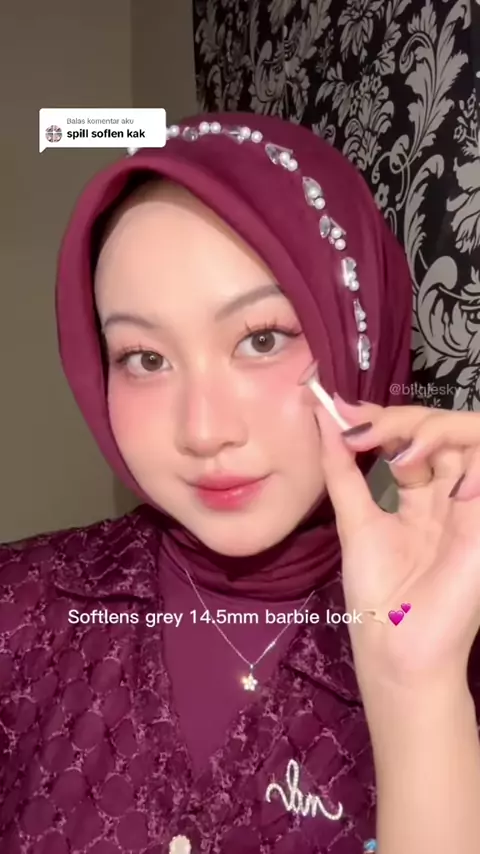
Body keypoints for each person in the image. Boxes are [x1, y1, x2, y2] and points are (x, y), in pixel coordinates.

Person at [0, 112, 479, 854]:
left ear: (361, 335)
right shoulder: (19, 612)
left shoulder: (457, 648)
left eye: (261, 339)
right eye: (145, 358)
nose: (203, 430)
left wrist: (417, 694)